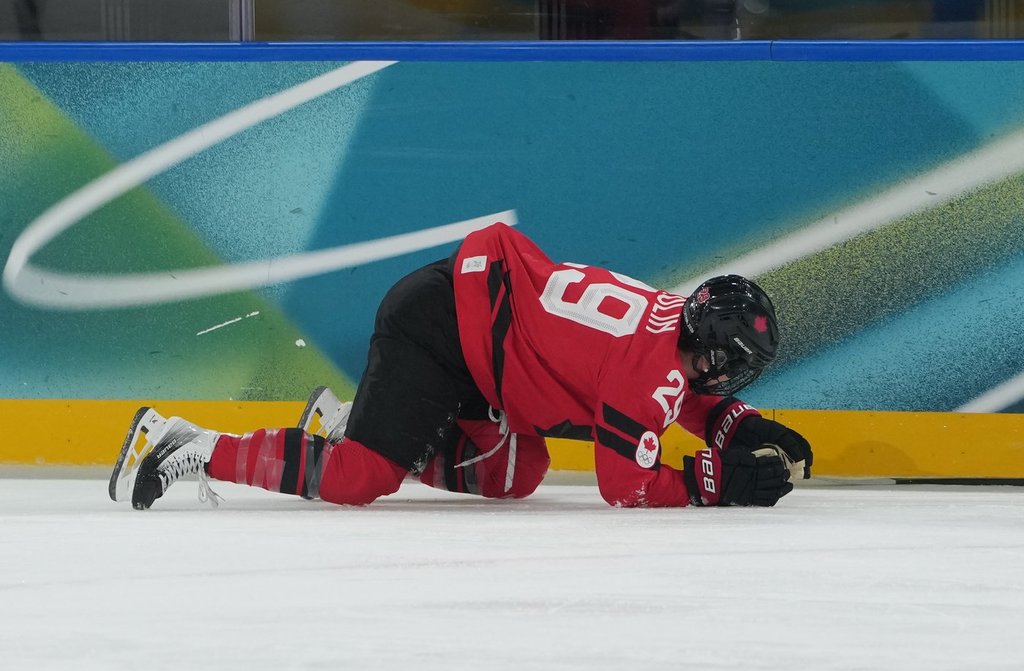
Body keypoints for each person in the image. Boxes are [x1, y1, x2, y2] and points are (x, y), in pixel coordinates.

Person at [109, 222, 812, 510]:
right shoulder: (652, 374)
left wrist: (734, 426)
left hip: (477, 330)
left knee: (515, 474)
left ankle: (352, 421)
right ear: (717, 355)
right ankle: (185, 443)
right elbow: (623, 483)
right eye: (737, 371)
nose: (733, 381)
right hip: (441, 330)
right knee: (360, 479)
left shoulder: (666, 327)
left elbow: (664, 390)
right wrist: (708, 482)